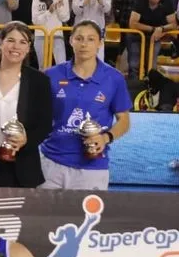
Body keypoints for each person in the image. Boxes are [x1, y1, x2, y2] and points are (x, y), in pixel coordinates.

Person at [40, 20, 131, 190]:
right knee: (46, 217)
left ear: (100, 43)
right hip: (51, 163)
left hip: (93, 168)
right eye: (79, 38)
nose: (84, 44)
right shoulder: (51, 75)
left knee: (86, 217)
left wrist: (105, 138)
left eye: (91, 39)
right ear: (71, 41)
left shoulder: (114, 78)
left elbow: (124, 121)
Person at [0, 21, 53, 188]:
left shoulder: (39, 81)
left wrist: (26, 140)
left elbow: (44, 125)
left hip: (21, 167)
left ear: (29, 48)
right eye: (10, 40)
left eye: (23, 42)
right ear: (0, 43)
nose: (16, 47)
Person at [31, 0, 71, 67]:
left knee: (61, 65)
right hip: (41, 35)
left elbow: (65, 17)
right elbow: (35, 21)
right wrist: (49, 12)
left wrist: (59, 6)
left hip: (57, 34)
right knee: (43, 66)